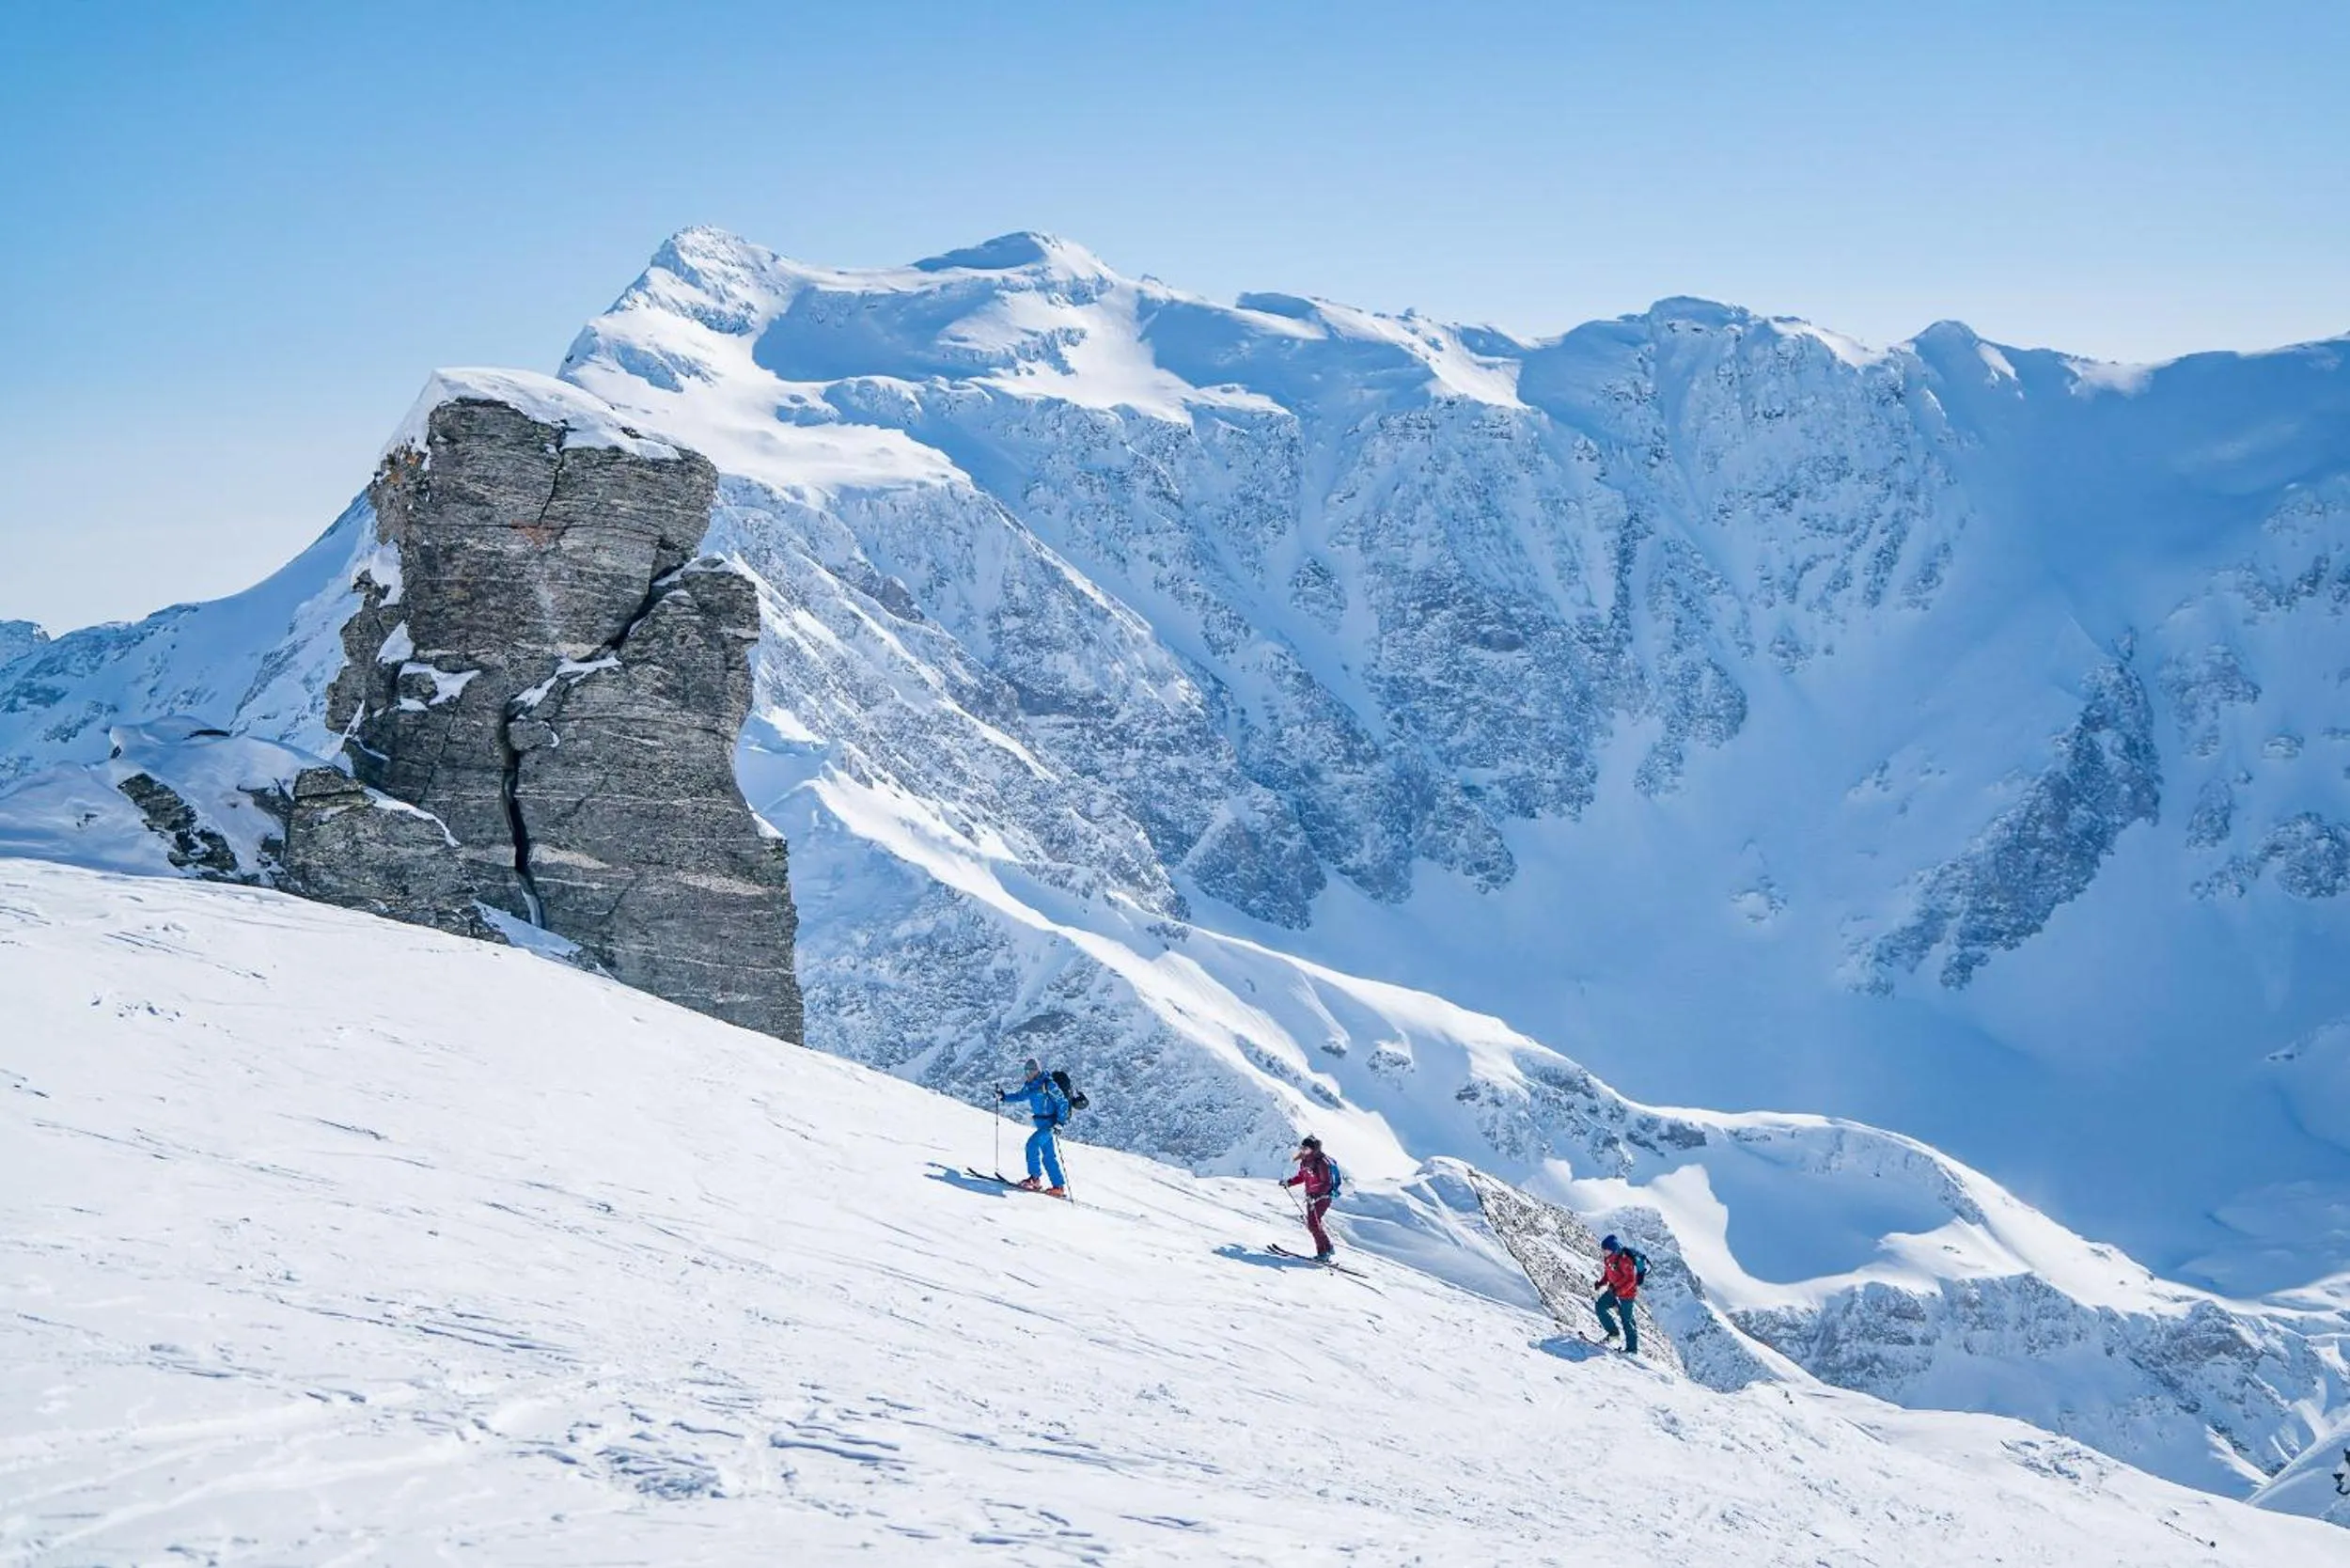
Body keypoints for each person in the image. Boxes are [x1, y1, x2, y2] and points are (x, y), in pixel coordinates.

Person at [998, 1058, 1070, 1197]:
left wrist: (1060, 1123)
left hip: (1050, 1124)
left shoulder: (1048, 1084)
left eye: (1031, 1071)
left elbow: (1063, 1102)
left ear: (1038, 1071)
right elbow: (1019, 1096)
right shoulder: (1030, 1086)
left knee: (1032, 1144)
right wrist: (1003, 1097)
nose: (1028, 1074)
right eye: (1026, 1071)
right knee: (1048, 1155)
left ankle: (1035, 1179)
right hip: (1041, 1123)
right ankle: (1058, 1187)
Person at [1280, 1135, 1340, 1262]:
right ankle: (1327, 1247)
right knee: (1314, 1224)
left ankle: (1323, 1253)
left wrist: (1317, 1196)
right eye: (1302, 1148)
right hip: (1311, 1197)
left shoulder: (1321, 1162)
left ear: (1313, 1149)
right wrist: (1289, 1182)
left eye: (1306, 1148)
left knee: (1313, 1224)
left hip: (1322, 1198)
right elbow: (1302, 1177)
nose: (1303, 1150)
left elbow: (1327, 1183)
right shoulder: (1305, 1161)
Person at [1594, 1234, 1638, 1355]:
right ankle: (1613, 1334)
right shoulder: (1608, 1259)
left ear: (1613, 1249)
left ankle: (1632, 1349)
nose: (1603, 1252)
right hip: (1613, 1291)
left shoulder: (1624, 1260)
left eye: (1606, 1250)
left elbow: (1631, 1280)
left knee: (1627, 1321)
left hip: (1626, 1295)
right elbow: (1608, 1274)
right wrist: (1601, 1283)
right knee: (1600, 1307)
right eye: (1603, 1250)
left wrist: (1619, 1292)